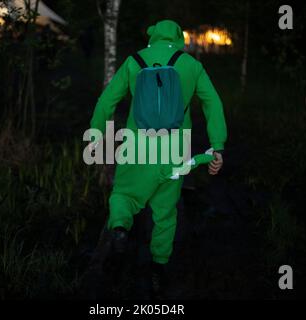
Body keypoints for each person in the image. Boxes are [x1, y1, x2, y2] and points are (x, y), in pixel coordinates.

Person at [89, 19, 227, 294]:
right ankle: (158, 269)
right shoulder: (191, 65)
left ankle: (119, 229)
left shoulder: (134, 61)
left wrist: (96, 134)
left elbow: (107, 100)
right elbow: (213, 103)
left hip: (136, 148)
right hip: (174, 150)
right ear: (179, 39)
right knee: (165, 213)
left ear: (152, 37)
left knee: (124, 196)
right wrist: (217, 145)